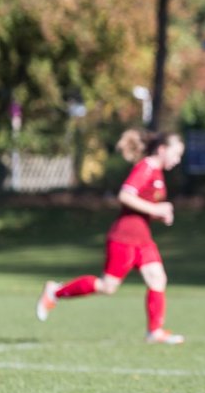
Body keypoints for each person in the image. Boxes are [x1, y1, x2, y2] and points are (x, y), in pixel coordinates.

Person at [36, 129, 187, 345]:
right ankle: (55, 292)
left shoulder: (158, 173)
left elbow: (141, 207)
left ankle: (154, 332)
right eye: (176, 153)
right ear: (162, 149)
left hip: (142, 238)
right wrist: (156, 210)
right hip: (124, 237)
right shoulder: (146, 167)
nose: (178, 159)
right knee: (107, 286)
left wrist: (158, 215)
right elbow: (125, 195)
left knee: (158, 278)